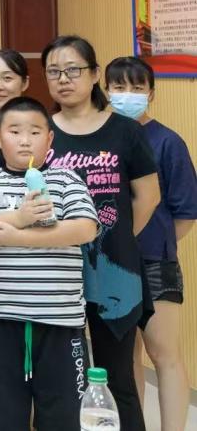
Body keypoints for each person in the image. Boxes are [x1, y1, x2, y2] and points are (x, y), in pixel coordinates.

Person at [0, 96, 99, 431]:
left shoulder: (66, 180)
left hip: (60, 322)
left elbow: (84, 228)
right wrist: (19, 218)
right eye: (14, 131)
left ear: (49, 139)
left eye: (34, 132)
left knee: (65, 419)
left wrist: (15, 237)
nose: (24, 140)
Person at [41, 36, 159, 431]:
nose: (64, 79)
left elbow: (148, 196)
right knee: (64, 379)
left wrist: (113, 236)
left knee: (116, 377)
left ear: (94, 75)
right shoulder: (40, 131)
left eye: (73, 70)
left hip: (114, 272)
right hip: (57, 271)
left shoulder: (124, 131)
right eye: (54, 71)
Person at [105, 56, 197, 431]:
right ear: (106, 91)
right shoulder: (103, 139)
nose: (127, 94)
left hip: (156, 263)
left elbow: (186, 213)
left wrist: (156, 244)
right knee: (125, 359)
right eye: (119, 87)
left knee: (164, 354)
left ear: (151, 93)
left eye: (137, 87)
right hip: (110, 265)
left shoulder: (168, 142)